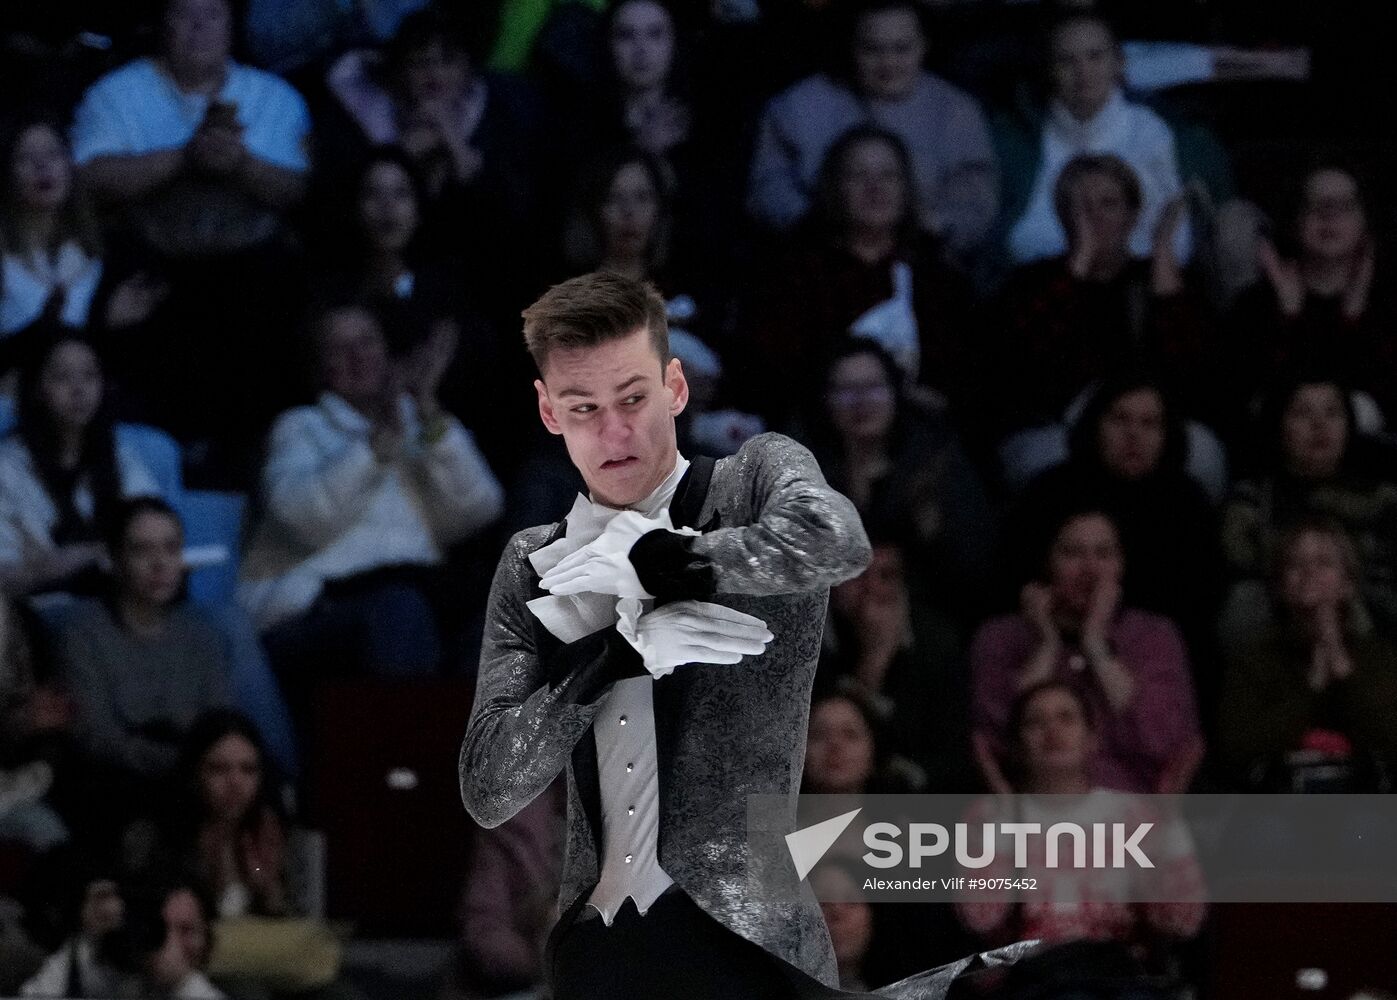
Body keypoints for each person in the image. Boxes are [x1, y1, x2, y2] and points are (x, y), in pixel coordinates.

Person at [465, 268, 935, 998]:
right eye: (583, 408)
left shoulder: (752, 481)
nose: (614, 432)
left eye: (632, 399)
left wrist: (673, 561)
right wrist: (615, 656)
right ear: (549, 411)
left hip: (749, 938)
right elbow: (491, 785)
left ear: (676, 388)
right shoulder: (534, 558)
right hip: (599, 943)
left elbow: (838, 540)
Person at [240, 303, 504, 680]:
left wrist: (426, 407)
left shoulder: (418, 426)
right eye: (340, 349)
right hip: (313, 611)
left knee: (506, 613)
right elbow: (300, 519)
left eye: (367, 342)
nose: (359, 356)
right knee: (399, 608)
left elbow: (479, 510)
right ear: (320, 367)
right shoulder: (300, 427)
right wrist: (374, 450)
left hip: (416, 595)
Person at [1005, 374, 1224, 705]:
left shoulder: (1188, 504)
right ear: (1096, 425)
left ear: (1167, 434)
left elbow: (1202, 599)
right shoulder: (1050, 494)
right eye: (1120, 419)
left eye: (1149, 423)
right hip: (1054, 639)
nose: (1133, 434)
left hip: (1155, 652)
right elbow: (1013, 579)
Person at [742, 127, 975, 429]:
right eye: (858, 176)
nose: (875, 188)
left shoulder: (937, 276)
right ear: (835, 187)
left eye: (888, 176)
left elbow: (963, 375)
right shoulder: (795, 274)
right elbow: (774, 371)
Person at [957, 681, 1206, 949]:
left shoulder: (1134, 814)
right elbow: (980, 919)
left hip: (1112, 967)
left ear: (1092, 738)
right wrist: (1004, 817)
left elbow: (1183, 922)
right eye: (1035, 722)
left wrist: (1170, 820)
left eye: (1066, 718)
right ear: (1018, 746)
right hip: (1028, 970)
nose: (1052, 731)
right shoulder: (986, 814)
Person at [971, 508, 1202, 795]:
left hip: (1132, 804)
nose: (1090, 570)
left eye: (1104, 554)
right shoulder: (1000, 636)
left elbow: (1164, 743)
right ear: (1047, 564)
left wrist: (1096, 646)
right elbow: (998, 741)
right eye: (1073, 553)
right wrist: (1046, 646)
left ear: (1121, 564)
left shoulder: (1154, 635)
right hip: (1037, 805)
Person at [747, 0, 998, 264]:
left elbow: (975, 199)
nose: (888, 63)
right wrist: (818, 230)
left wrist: (929, 230)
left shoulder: (958, 111)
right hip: (815, 260)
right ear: (851, 47)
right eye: (872, 49)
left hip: (924, 259)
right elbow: (768, 186)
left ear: (924, 45)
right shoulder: (795, 107)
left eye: (901, 49)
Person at [989, 153, 1204, 439]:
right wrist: (1079, 265)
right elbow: (1021, 363)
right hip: (1055, 427)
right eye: (1082, 207)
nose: (1096, 217)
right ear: (1064, 216)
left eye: (1109, 204)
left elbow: (1192, 370)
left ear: (1131, 215)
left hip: (1151, 426)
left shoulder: (1161, 279)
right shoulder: (1031, 281)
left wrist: (1163, 252)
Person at [55, 498, 232, 839]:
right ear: (116, 560)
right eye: (142, 550)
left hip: (194, 772)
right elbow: (93, 736)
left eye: (171, 549)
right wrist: (181, 762)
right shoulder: (81, 633)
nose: (160, 563)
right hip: (116, 781)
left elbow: (219, 721)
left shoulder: (202, 634)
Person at [810, 339, 995, 616]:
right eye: (846, 391)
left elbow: (976, 569)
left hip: (931, 617)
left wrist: (930, 528)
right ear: (826, 400)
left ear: (895, 393)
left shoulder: (935, 463)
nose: (861, 402)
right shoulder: (806, 473)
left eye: (873, 388)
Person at [999, 12, 1193, 268]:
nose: (1083, 72)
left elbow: (1176, 239)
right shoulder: (1023, 137)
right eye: (1067, 61)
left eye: (1095, 57)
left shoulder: (1147, 131)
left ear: (1119, 63)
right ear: (1050, 70)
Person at [1219, 520, 1397, 790]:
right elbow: (1234, 748)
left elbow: (1389, 739)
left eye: (1323, 562)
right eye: (1295, 564)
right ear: (1281, 586)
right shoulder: (1254, 660)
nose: (1309, 572)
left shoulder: (1378, 656)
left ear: (1348, 584)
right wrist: (1310, 687)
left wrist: (1342, 668)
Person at [1220, 375, 1397, 643]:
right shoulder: (1252, 499)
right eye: (1303, 413)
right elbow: (1244, 575)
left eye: (1332, 413)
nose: (1319, 425)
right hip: (1280, 635)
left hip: (1369, 634)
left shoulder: (1383, 499)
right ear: (1279, 424)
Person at [1224, 162, 1397, 431]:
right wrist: (1289, 318)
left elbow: (1383, 400)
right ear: (1294, 221)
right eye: (1315, 204)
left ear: (1365, 223)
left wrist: (1352, 320)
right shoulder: (1256, 303)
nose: (1329, 215)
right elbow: (1248, 399)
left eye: (1345, 205)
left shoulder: (1387, 301)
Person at [0, 335, 160, 602]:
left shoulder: (122, 456)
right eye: (62, 377)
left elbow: (152, 531)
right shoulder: (7, 466)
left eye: (90, 375)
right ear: (37, 388)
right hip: (39, 608)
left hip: (121, 602)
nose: (79, 389)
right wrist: (52, 566)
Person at [0, 119, 167, 373]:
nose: (42, 166)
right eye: (25, 158)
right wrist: (44, 329)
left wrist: (106, 321)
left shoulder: (108, 251)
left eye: (52, 154)